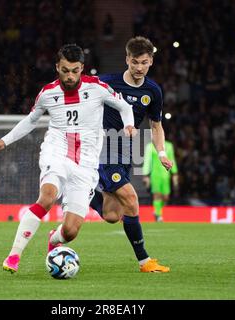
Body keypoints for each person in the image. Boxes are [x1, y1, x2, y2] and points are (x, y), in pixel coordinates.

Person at [0, 44, 135, 273]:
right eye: (64, 70)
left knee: (70, 231)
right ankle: (14, 256)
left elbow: (124, 106)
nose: (69, 76)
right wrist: (4, 141)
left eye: (74, 70)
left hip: (86, 163)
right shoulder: (47, 93)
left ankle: (54, 239)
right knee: (47, 196)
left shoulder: (98, 88)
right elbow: (31, 121)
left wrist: (129, 124)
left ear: (82, 68)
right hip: (57, 151)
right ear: (57, 67)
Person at [89, 36, 173, 272]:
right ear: (127, 59)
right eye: (134, 61)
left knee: (112, 215)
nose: (138, 68)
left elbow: (156, 126)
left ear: (151, 62)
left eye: (144, 62)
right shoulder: (106, 82)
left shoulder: (153, 91)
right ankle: (144, 261)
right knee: (132, 200)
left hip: (125, 152)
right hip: (104, 149)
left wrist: (162, 153)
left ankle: (82, 193)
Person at [142, 135, 179, 222]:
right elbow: (147, 161)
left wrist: (175, 173)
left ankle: (157, 210)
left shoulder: (169, 145)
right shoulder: (150, 146)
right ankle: (158, 215)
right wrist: (145, 175)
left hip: (166, 175)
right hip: (155, 175)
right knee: (157, 195)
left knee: (166, 197)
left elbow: (172, 158)